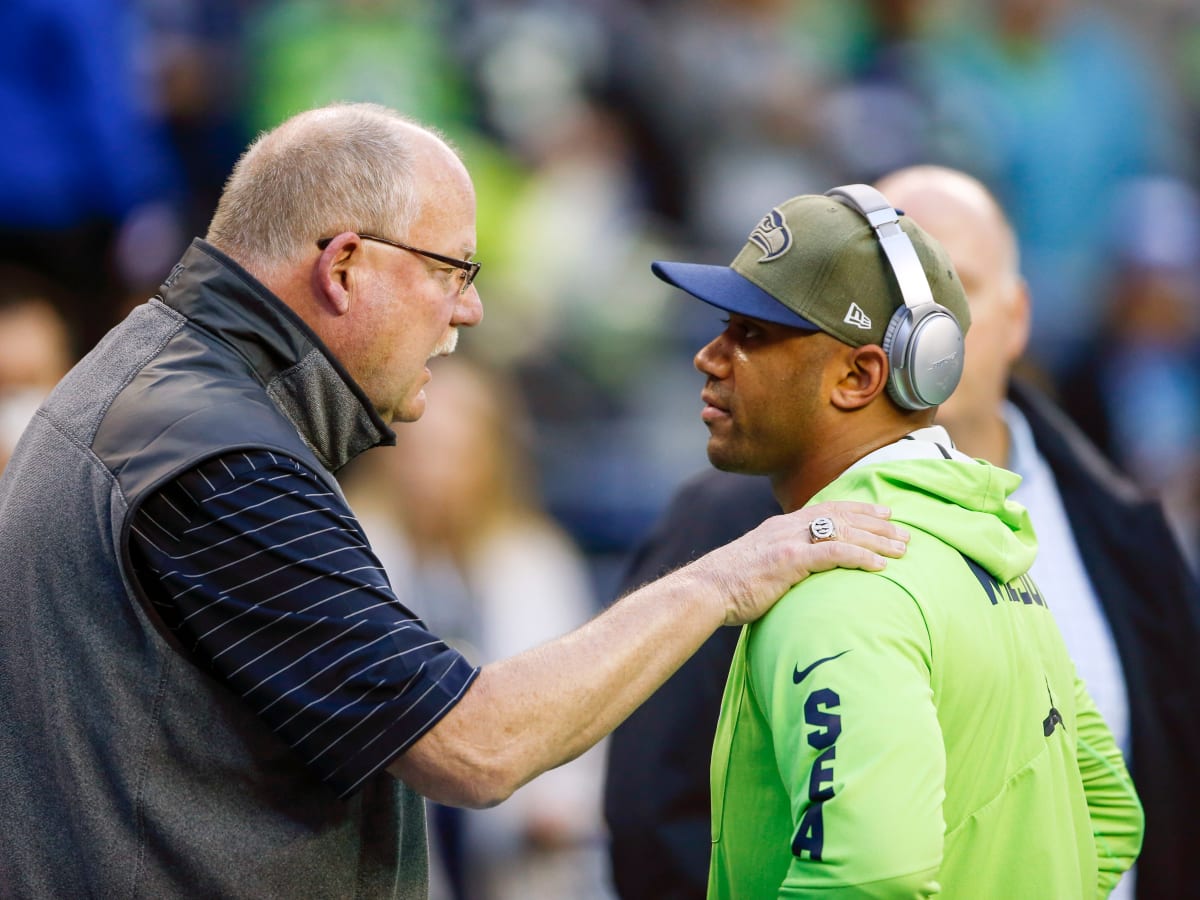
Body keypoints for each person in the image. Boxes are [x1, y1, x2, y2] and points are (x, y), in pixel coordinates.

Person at [0, 102, 910, 898]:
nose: (468, 311)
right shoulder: (213, 456)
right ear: (344, 267)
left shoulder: (157, 382)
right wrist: (727, 577)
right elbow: (476, 747)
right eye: (452, 271)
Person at [606, 166, 1200, 899]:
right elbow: (1109, 817)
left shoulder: (837, 582)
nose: (710, 356)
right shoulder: (1001, 550)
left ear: (859, 378)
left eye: (751, 334)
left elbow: (868, 878)